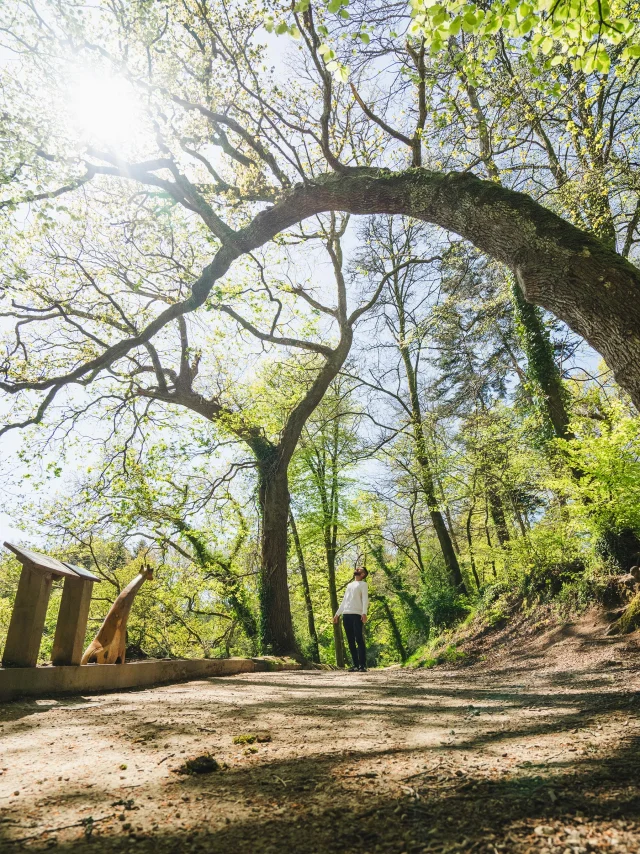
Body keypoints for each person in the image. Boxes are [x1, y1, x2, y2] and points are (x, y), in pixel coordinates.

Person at [333, 566, 369, 672]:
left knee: (359, 639)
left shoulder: (363, 584)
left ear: (362, 574)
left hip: (357, 614)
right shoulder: (349, 585)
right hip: (346, 614)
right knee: (350, 640)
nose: (356, 570)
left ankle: (362, 665)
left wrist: (364, 613)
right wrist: (337, 614)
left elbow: (365, 599)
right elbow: (344, 601)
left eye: (359, 570)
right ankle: (355, 665)